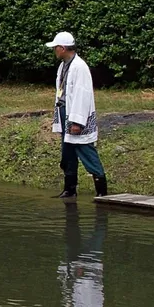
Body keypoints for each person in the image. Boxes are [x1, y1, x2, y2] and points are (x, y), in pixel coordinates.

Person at [47, 31, 108, 199]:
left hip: (76, 114)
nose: (54, 51)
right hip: (65, 111)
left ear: (63, 48)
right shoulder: (64, 65)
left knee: (85, 149)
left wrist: (77, 122)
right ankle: (70, 189)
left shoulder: (79, 67)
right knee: (68, 153)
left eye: (56, 48)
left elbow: (82, 95)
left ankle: (102, 191)